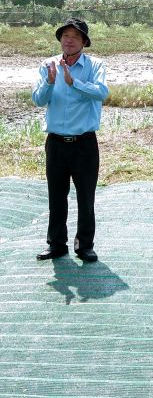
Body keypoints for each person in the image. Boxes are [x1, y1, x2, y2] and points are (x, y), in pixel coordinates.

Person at [32, 17, 109, 262]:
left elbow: (101, 92)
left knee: (86, 196)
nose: (69, 40)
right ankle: (56, 244)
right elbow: (38, 99)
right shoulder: (48, 65)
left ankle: (84, 245)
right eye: (65, 36)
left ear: (84, 42)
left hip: (84, 143)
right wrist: (50, 82)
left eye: (75, 36)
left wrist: (73, 82)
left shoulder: (95, 65)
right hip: (56, 143)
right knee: (56, 196)